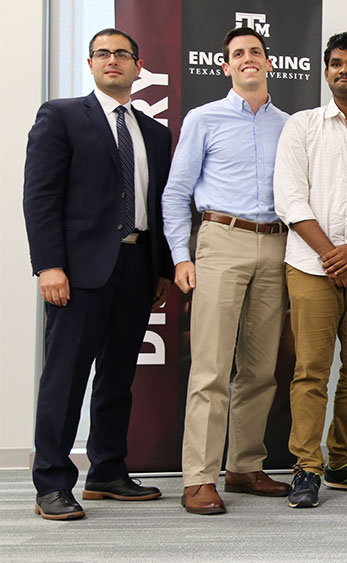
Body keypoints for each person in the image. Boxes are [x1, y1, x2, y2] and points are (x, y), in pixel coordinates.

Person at [23, 28, 172, 521]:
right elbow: (40, 196)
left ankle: (107, 471)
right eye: (103, 54)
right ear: (90, 64)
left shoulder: (153, 131)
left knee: (117, 377)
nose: (113, 61)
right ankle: (52, 481)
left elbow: (160, 204)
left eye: (122, 54)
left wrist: (162, 269)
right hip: (76, 271)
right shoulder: (62, 116)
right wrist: (48, 265)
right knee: (65, 378)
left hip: (136, 267)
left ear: (138, 65)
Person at [162, 27, 291, 515]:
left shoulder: (290, 124)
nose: (247, 59)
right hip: (220, 239)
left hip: (276, 244)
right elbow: (175, 193)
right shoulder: (204, 118)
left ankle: (243, 465)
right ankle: (198, 477)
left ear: (269, 63)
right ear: (226, 67)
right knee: (211, 366)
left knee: (260, 369)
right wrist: (181, 256)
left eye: (255, 52)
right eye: (238, 54)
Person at [274, 32, 347, 509]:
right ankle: (306, 466)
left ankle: (342, 460)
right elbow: (289, 199)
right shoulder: (301, 126)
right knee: (311, 372)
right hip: (310, 266)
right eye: (337, 64)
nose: (345, 70)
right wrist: (331, 255)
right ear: (326, 73)